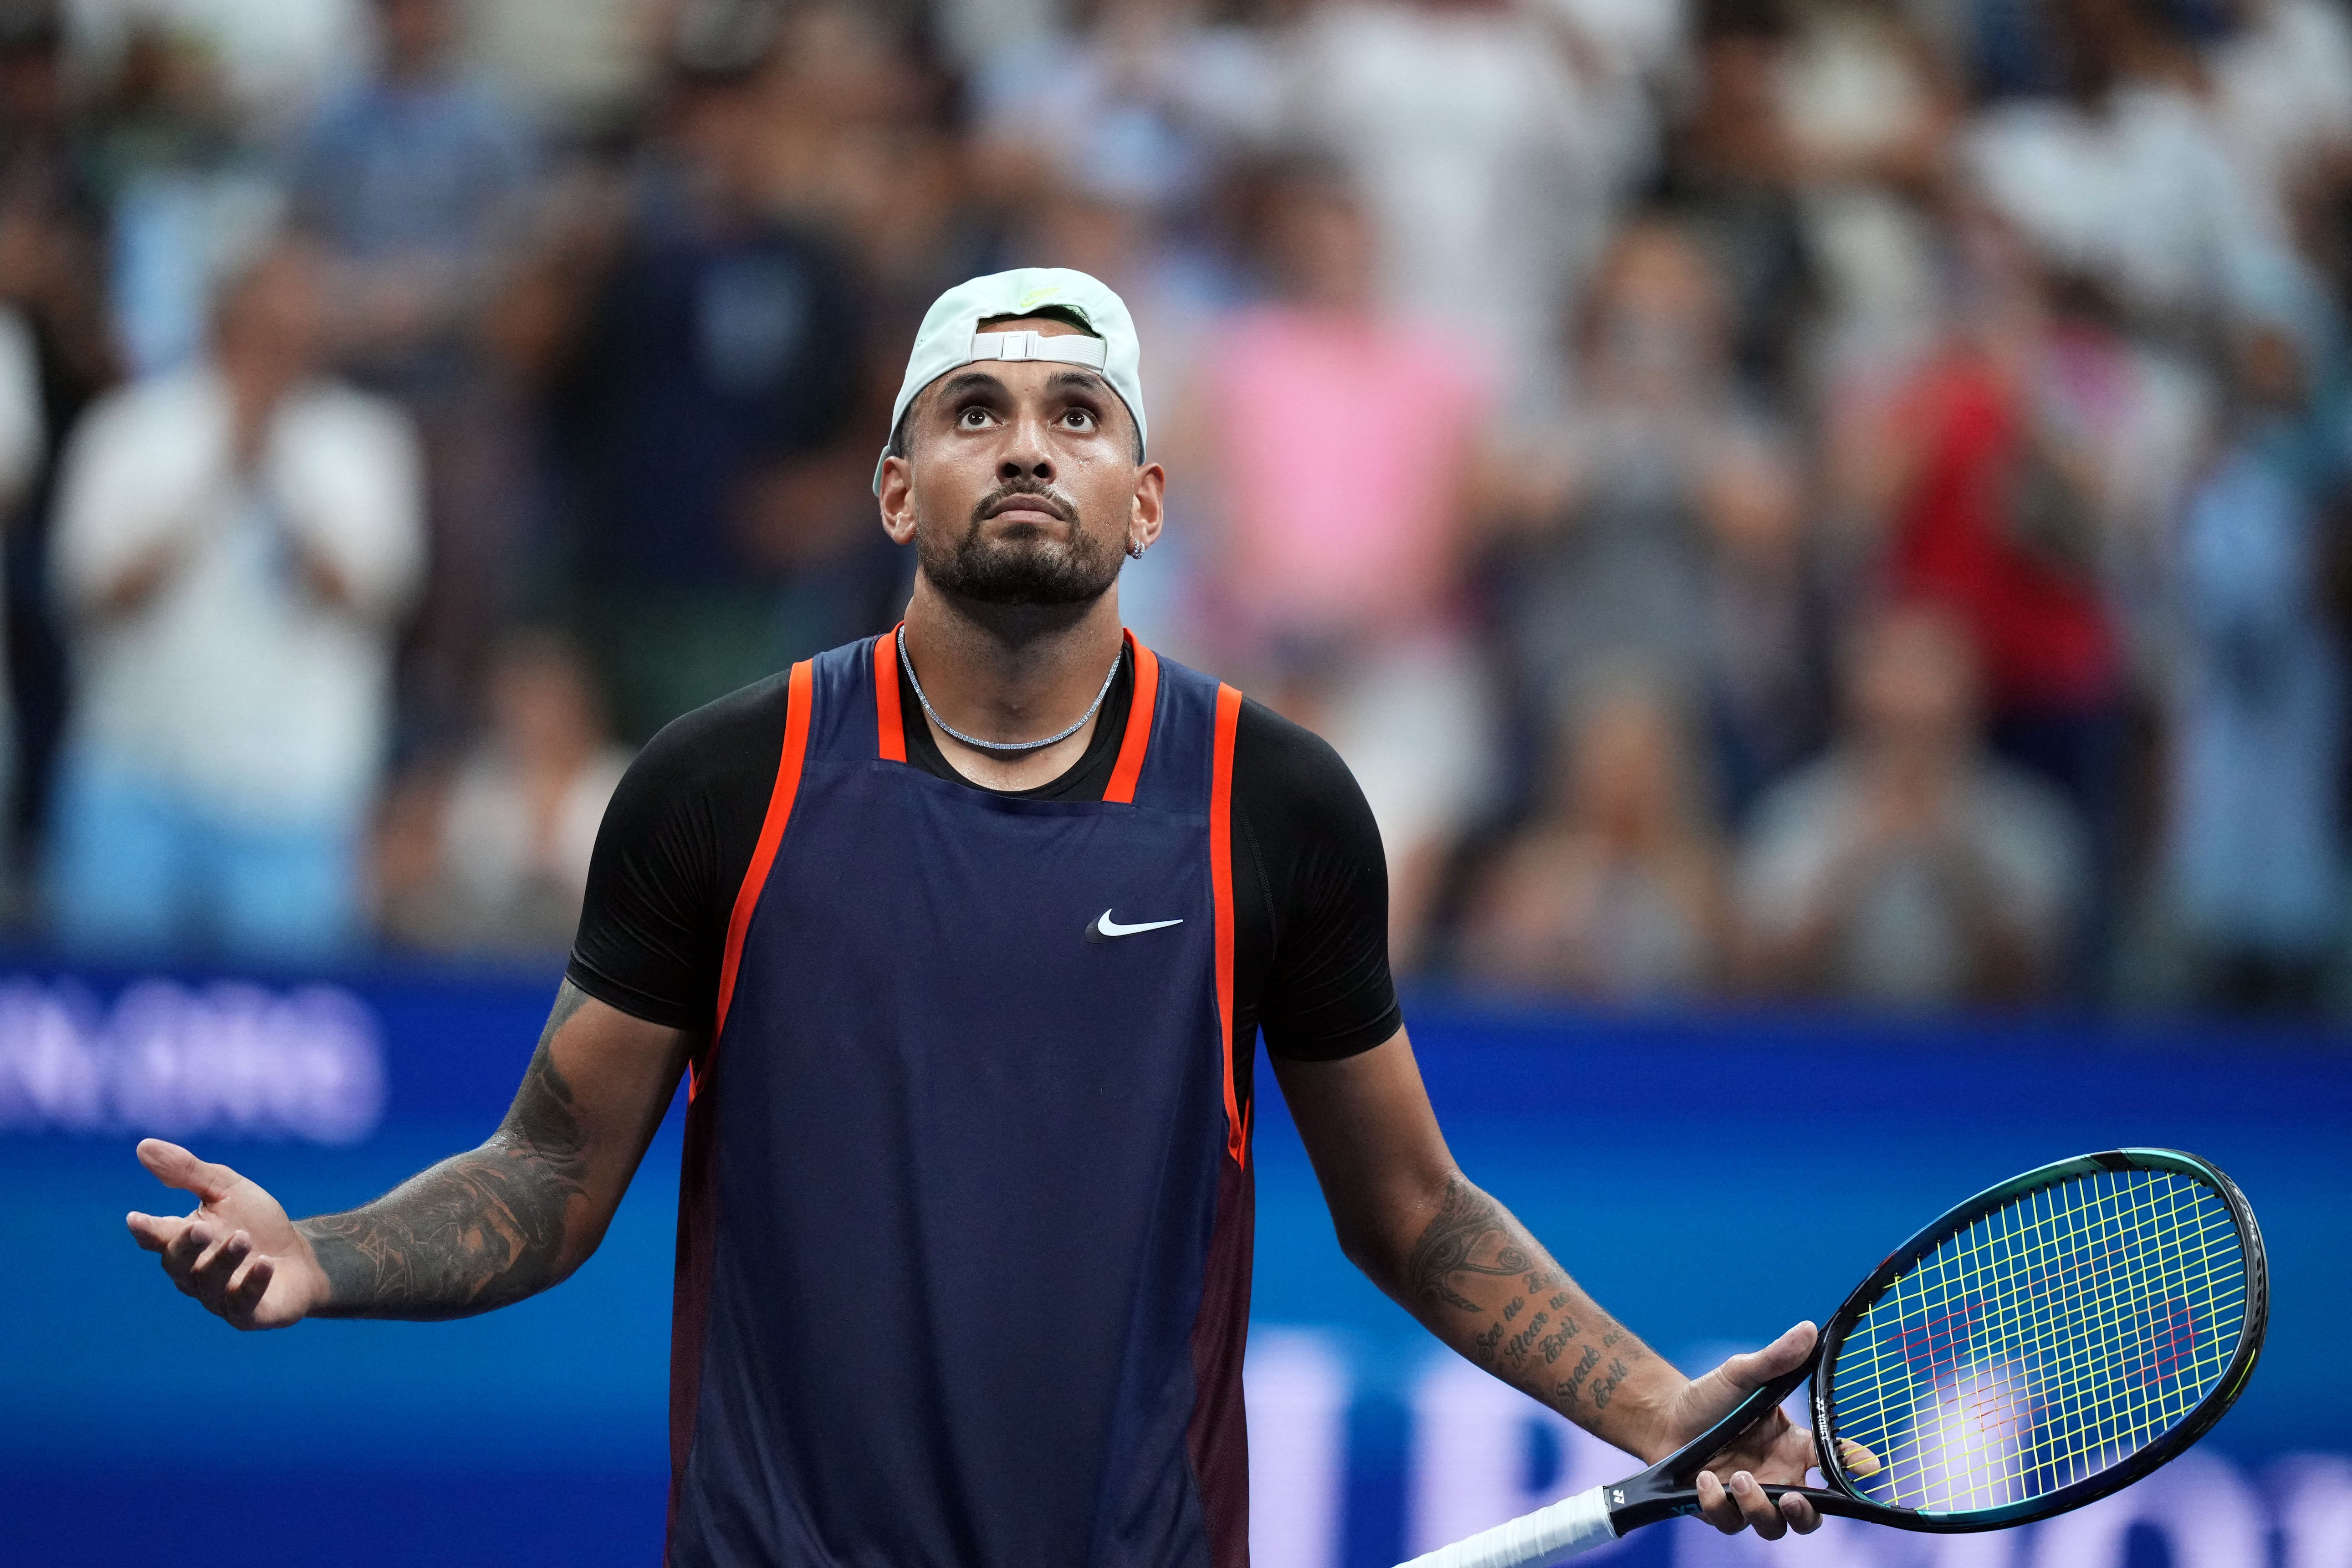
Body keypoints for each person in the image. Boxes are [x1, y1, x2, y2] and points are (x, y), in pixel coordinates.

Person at [126, 268, 1832, 1566]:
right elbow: (552, 1176)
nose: (1026, 441)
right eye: (975, 409)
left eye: (1078, 413)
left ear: (1147, 503)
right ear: (894, 490)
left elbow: (1414, 1213)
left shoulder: (1272, 802)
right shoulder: (725, 787)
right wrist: (321, 1258)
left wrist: (1659, 1409)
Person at [47, 237, 424, 958]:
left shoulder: (365, 440)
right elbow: (91, 594)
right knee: (114, 1019)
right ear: (224, 313)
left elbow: (371, 598)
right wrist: (217, 471)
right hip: (136, 776)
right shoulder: (131, 428)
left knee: (279, 1045)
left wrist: (276, 471)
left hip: (297, 794)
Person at [1735, 601, 2087, 1007]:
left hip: (1981, 1060)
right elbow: (1762, 977)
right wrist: (1859, 859)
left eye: (1931, 671)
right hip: (1825, 1056)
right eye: (1892, 669)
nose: (1910, 695)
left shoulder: (2031, 820)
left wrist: (1955, 862)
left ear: (1976, 688)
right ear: (1852, 688)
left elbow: (2037, 979)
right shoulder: (1791, 813)